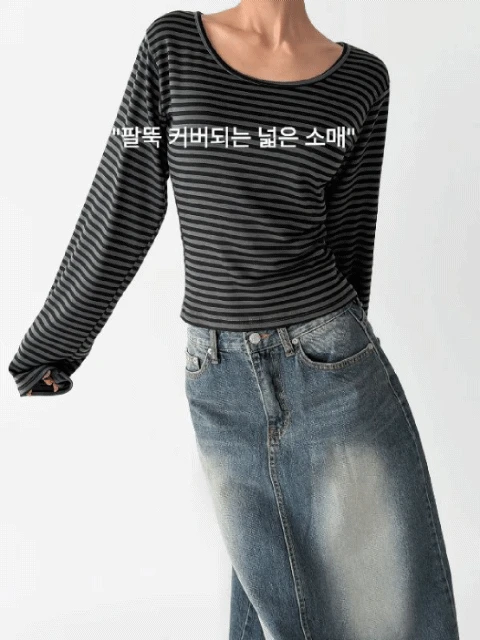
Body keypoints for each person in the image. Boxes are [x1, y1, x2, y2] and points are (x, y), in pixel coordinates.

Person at [8, 2, 460, 638]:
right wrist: (53, 344)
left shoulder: (363, 80)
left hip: (335, 361)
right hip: (219, 375)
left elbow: (351, 235)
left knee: (393, 608)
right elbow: (125, 196)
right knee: (277, 600)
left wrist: (337, 356)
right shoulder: (174, 47)